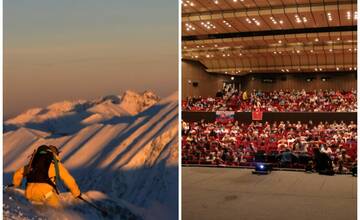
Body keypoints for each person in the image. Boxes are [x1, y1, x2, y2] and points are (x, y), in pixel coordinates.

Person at [12, 145, 81, 208]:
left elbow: (18, 173)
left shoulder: (34, 163)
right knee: (58, 210)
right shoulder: (55, 164)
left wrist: (16, 184)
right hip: (45, 194)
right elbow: (68, 179)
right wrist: (76, 193)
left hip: (29, 193)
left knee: (37, 213)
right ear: (55, 154)